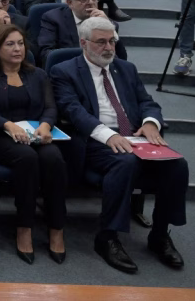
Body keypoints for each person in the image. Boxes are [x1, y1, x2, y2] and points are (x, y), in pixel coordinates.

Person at [49, 17, 187, 274]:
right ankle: (107, 237)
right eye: (101, 42)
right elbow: (73, 110)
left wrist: (150, 123)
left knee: (177, 165)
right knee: (126, 161)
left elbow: (147, 102)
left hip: (134, 136)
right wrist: (107, 135)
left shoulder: (126, 69)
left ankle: (159, 235)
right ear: (84, 43)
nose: (109, 47)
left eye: (112, 41)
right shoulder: (64, 71)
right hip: (94, 140)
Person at [0, 24, 66, 263]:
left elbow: (50, 107)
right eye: (10, 44)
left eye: (21, 44)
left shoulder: (38, 75)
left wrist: (46, 125)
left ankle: (56, 227)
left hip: (36, 134)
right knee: (27, 157)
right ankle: (25, 226)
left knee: (53, 158)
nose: (17, 49)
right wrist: (8, 125)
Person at [35, 0, 129, 65]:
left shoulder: (106, 22)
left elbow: (122, 59)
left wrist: (108, 26)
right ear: (69, 3)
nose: (91, 2)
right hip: (68, 70)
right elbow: (46, 54)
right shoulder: (53, 19)